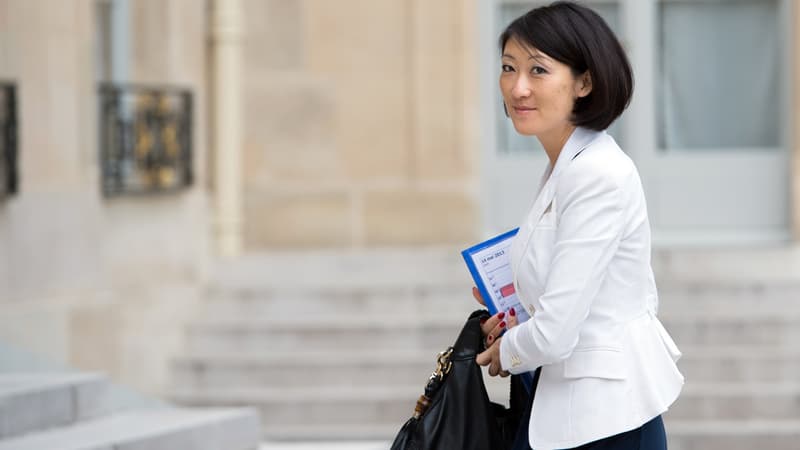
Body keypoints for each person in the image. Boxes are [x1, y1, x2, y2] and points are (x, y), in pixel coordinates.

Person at [474, 2, 684, 449]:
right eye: (508, 68)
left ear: (585, 82)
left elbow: (555, 332)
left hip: (604, 421)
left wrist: (506, 351)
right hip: (569, 412)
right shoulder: (565, 168)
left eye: (538, 70)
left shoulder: (597, 175)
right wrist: (512, 316)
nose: (518, 87)